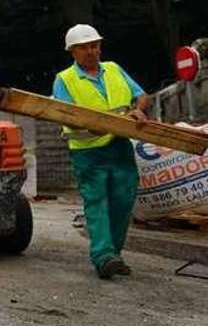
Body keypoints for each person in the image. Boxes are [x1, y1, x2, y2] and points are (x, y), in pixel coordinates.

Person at [51, 24, 150, 280]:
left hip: (119, 146)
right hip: (88, 152)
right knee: (97, 204)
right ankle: (103, 256)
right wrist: (88, 125)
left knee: (123, 202)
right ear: (72, 51)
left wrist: (138, 109)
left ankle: (113, 255)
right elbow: (63, 114)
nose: (90, 51)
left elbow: (141, 96)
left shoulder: (115, 70)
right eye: (84, 48)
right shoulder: (65, 79)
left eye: (94, 46)